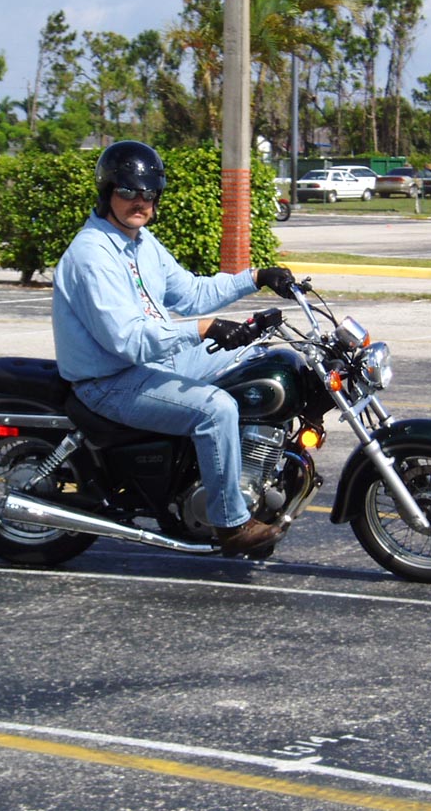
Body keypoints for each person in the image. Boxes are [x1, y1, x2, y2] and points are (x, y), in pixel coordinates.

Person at [51, 140, 295, 557]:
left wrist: (256, 277)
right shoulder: (92, 255)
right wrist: (204, 329)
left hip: (153, 361)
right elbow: (128, 340)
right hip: (110, 381)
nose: (140, 201)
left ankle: (249, 471)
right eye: (128, 191)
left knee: (257, 357)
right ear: (107, 191)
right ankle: (230, 524)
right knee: (216, 409)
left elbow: (191, 293)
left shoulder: (141, 242)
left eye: (149, 193)